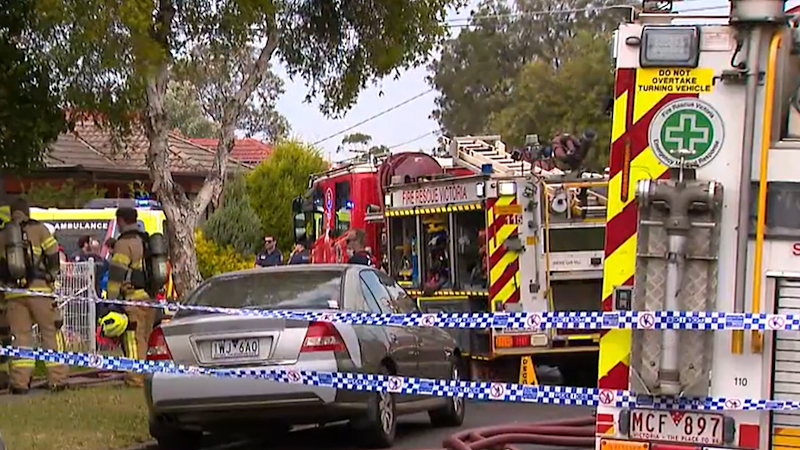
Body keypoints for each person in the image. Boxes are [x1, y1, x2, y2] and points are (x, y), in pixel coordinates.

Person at [0, 198, 67, 394]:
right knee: (50, 333)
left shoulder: (3, 235)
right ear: (27, 211)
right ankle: (57, 379)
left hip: (14, 294)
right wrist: (51, 275)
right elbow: (53, 253)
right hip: (40, 291)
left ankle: (20, 383)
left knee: (21, 337)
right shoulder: (39, 229)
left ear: (12, 212)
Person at [107, 207, 156, 388]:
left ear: (120, 221)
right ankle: (145, 377)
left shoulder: (124, 243)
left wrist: (110, 301)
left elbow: (116, 275)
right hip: (149, 299)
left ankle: (136, 379)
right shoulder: (145, 240)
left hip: (133, 301)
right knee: (144, 339)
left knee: (133, 341)